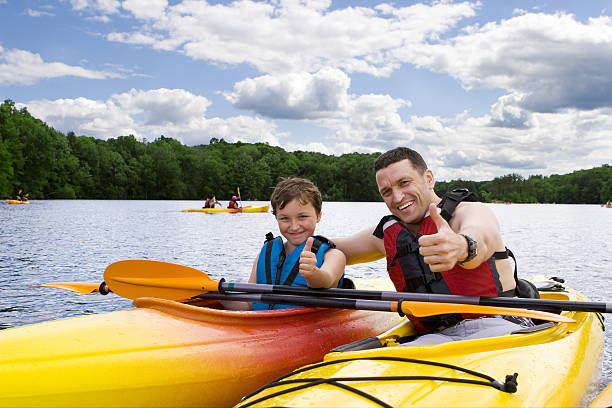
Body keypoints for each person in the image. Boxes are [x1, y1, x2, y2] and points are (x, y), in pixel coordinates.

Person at [334, 147, 537, 346]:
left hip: (498, 326)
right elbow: (336, 249)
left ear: (429, 178)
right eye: (387, 192)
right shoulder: (385, 235)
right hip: (435, 338)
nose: (397, 198)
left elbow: (481, 236)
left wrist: (462, 246)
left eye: (404, 183)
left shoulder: (469, 212)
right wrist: (304, 228)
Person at [245, 177, 347, 310]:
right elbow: (247, 303)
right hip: (262, 326)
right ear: (276, 218)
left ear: (318, 216)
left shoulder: (334, 256)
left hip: (309, 326)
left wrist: (313, 273)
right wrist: (215, 292)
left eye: (302, 217)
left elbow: (326, 280)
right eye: (285, 218)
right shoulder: (264, 254)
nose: (294, 227)